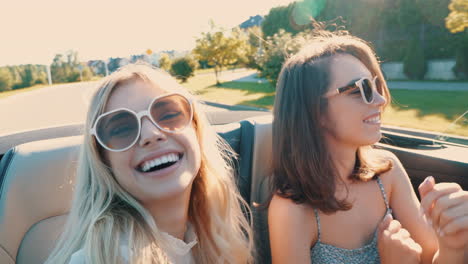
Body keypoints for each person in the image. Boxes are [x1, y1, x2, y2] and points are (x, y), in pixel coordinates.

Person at [268, 28, 468, 264]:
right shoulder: (291, 211)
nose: (381, 100)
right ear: (315, 111)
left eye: (375, 85)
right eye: (360, 89)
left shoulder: (388, 170)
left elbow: (431, 257)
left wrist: (454, 246)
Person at [45, 64, 253, 264]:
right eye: (121, 129)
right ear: (103, 160)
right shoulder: (100, 258)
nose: (151, 135)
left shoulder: (214, 236)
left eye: (169, 115)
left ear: (196, 129)